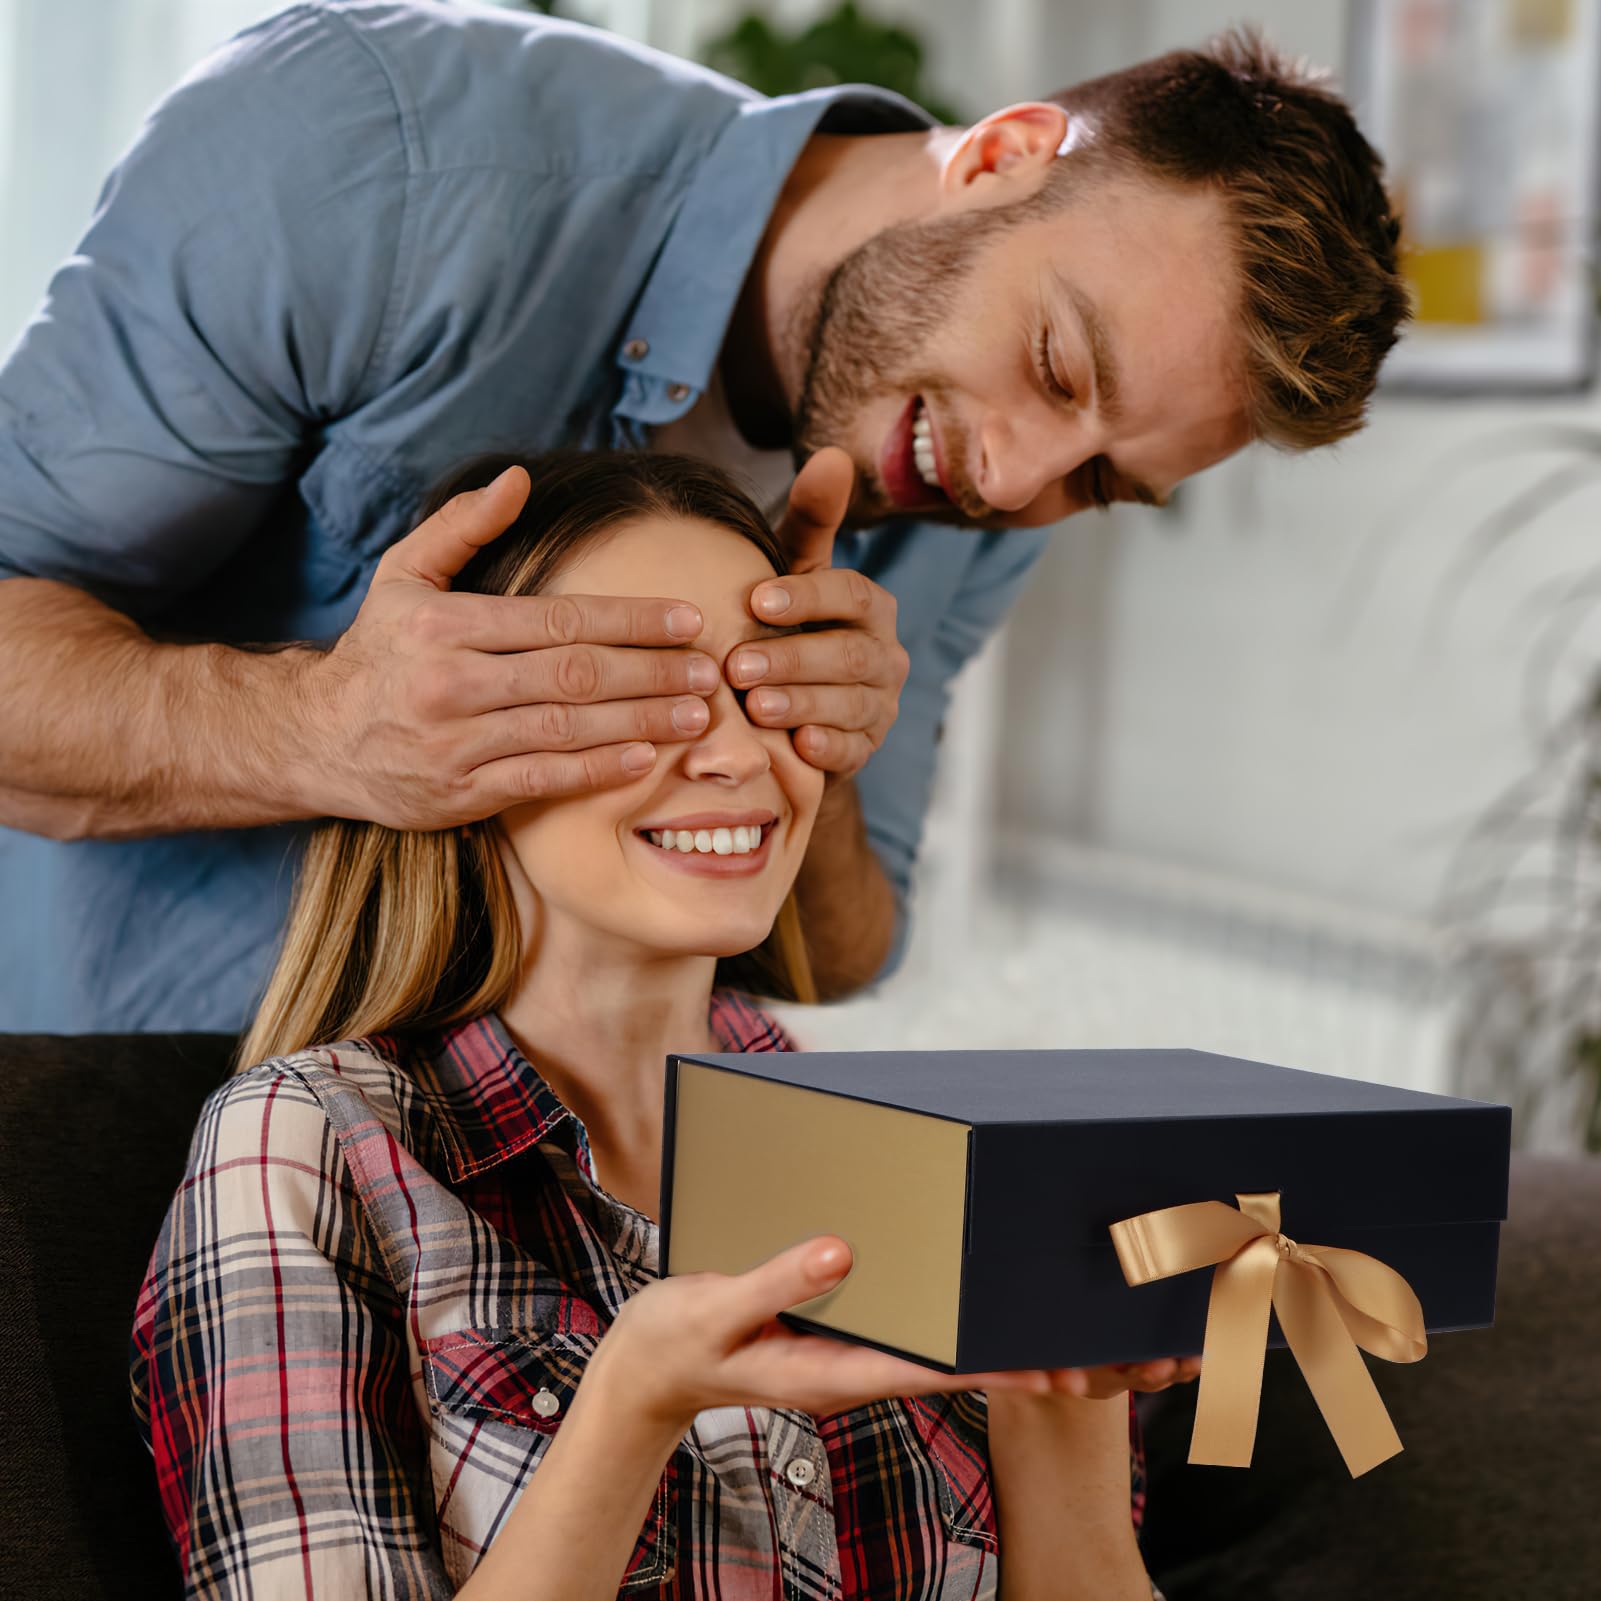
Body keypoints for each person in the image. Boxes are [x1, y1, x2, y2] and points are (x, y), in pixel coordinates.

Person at [0, 4, 1407, 1032]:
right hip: (84, 1099)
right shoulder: (381, 155)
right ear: (1000, 157)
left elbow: (843, 951)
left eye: (1100, 481)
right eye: (1054, 366)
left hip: (500, 1207)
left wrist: (825, 763)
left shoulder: (984, 497)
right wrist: (322, 732)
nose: (1011, 479)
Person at [130, 449, 1199, 1600]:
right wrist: (632, 1402)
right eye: (644, 694)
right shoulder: (309, 1146)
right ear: (457, 743)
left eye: (766, 690)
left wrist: (1061, 1409)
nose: (737, 753)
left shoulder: (914, 1140)